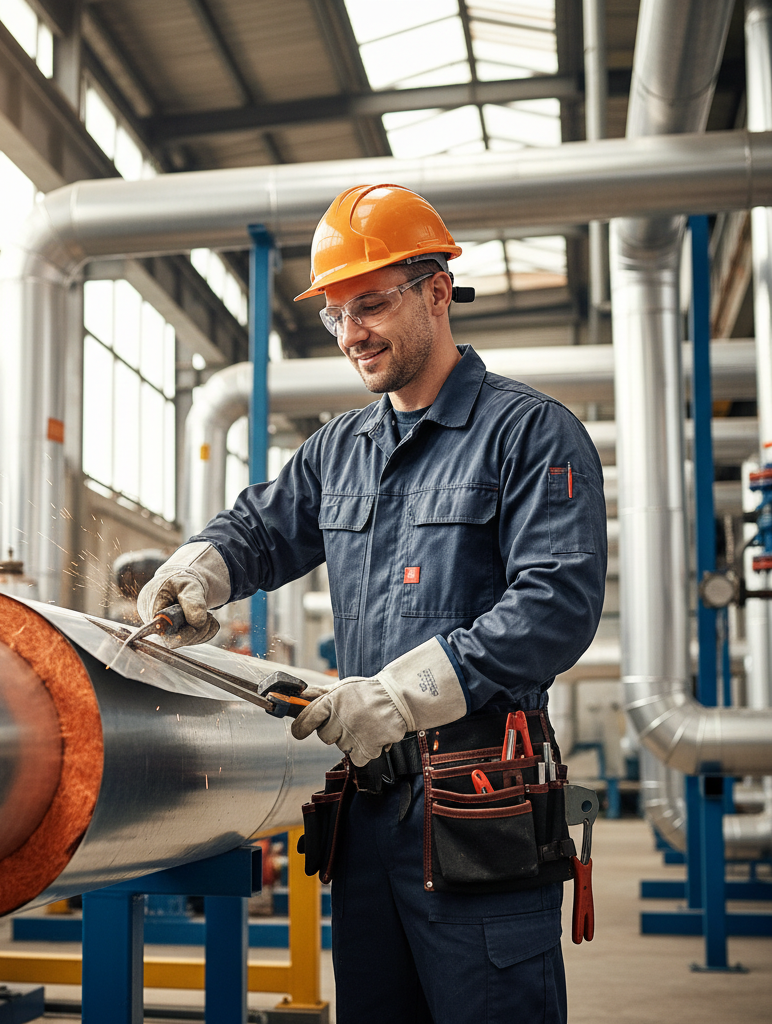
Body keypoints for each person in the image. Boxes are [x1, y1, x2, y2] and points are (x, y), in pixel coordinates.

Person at [138, 184, 607, 1023]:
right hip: (369, 811)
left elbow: (556, 604)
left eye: (372, 304)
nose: (352, 333)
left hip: (481, 806)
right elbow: (260, 528)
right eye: (337, 314)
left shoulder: (530, 434)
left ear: (435, 291)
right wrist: (197, 570)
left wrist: (399, 696)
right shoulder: (339, 451)